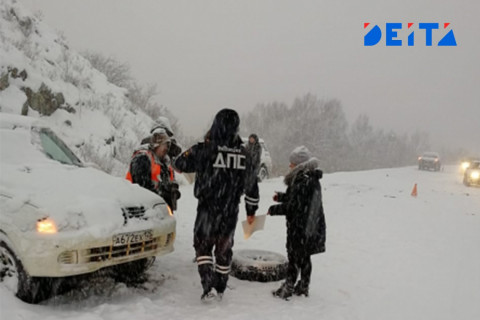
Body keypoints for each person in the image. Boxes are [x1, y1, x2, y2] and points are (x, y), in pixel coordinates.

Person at [174, 108, 259, 301]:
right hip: (230, 210)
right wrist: (251, 211)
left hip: (207, 209)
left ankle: (208, 286)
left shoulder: (204, 149)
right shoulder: (245, 155)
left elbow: (179, 163)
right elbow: (252, 188)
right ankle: (220, 287)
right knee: (224, 249)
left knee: (203, 247)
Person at [267, 145, 326, 300]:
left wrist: (274, 210)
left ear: (299, 164)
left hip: (300, 226)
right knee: (305, 256)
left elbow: (294, 207)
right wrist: (281, 197)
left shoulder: (302, 180)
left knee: (294, 257)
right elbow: (298, 200)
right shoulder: (309, 178)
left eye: (292, 163)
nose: (289, 165)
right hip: (309, 225)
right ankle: (303, 286)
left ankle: (288, 287)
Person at [126, 127, 181, 211]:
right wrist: (163, 195)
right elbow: (142, 188)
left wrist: (172, 191)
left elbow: (166, 182)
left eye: (168, 146)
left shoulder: (162, 162)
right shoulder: (142, 158)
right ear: (157, 145)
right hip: (138, 209)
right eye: (165, 145)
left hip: (155, 209)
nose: (167, 149)